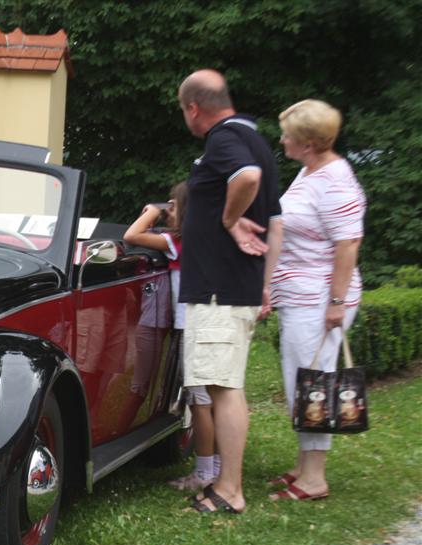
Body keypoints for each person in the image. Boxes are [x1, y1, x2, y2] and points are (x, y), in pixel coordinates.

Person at [176, 69, 283, 514]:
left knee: (223, 387)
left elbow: (247, 178)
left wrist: (225, 219)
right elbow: (276, 224)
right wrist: (264, 285)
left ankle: (230, 490)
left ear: (193, 108)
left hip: (218, 290)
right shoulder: (257, 138)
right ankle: (226, 481)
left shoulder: (224, 140)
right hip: (237, 287)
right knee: (226, 384)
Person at [266, 99, 364, 502]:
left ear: (307, 142)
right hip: (303, 296)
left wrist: (336, 302)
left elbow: (348, 245)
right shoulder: (311, 171)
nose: (283, 139)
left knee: (314, 384)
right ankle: (303, 465)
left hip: (319, 299)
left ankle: (314, 479)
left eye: (288, 134)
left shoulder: (336, 180)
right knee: (303, 381)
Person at [124, 182, 217, 491]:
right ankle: (216, 463)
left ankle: (206, 471)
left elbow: (131, 235)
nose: (167, 210)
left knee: (199, 398)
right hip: (211, 322)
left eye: (173, 206)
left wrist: (152, 212)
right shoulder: (208, 238)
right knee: (213, 397)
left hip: (194, 325)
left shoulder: (179, 240)